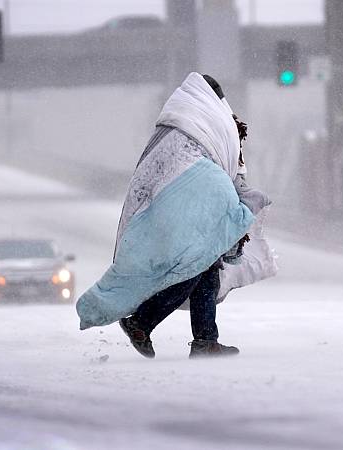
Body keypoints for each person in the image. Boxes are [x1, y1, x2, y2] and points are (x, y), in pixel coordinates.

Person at [76, 73, 271, 359]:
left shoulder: (176, 125)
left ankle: (205, 340)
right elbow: (221, 166)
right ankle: (141, 322)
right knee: (192, 268)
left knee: (205, 269)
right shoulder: (208, 122)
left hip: (172, 206)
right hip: (186, 207)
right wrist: (237, 202)